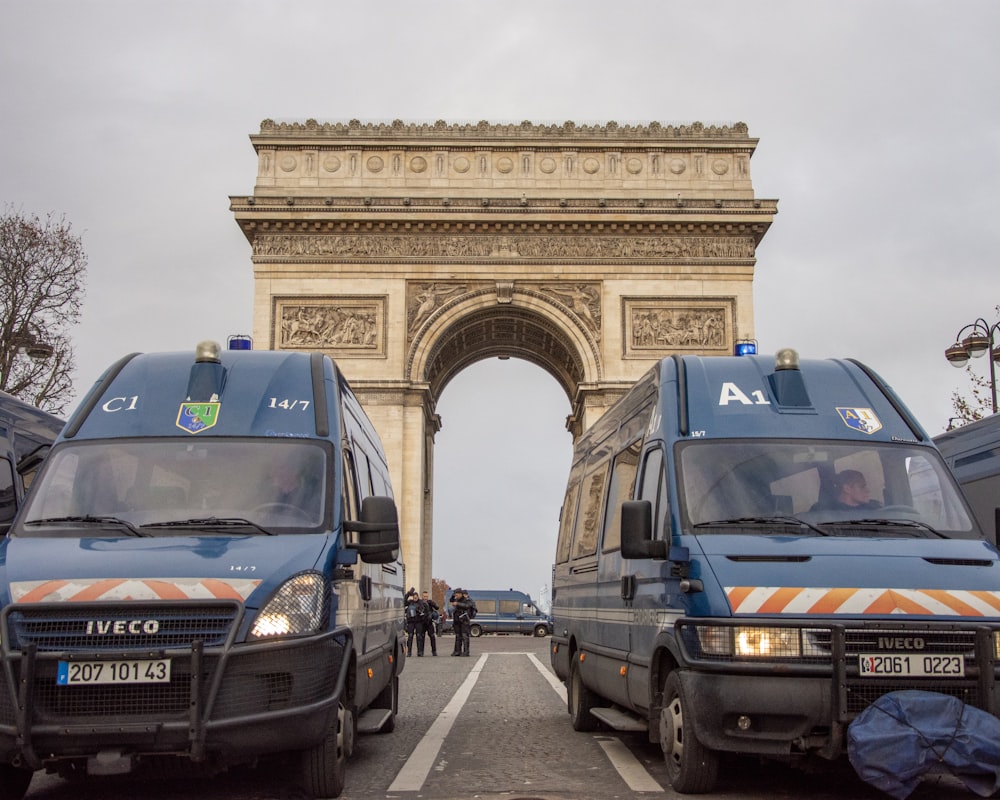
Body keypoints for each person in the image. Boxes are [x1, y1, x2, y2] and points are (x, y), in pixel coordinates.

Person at [449, 588, 477, 657]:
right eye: (455, 594)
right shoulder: (456, 599)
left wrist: (457, 604)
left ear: (461, 594)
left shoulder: (467, 600)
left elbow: (467, 606)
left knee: (465, 636)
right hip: (457, 620)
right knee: (458, 636)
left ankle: (466, 651)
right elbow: (451, 600)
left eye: (457, 594)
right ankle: (457, 651)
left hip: (464, 620)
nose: (456, 595)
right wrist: (453, 596)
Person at [404, 587, 430, 656]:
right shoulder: (410, 602)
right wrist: (408, 593)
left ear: (418, 597)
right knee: (410, 636)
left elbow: (427, 610)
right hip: (411, 622)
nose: (415, 598)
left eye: (416, 597)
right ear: (413, 597)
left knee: (419, 636)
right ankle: (409, 652)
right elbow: (404, 601)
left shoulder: (421, 602)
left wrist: (424, 617)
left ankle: (420, 652)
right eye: (414, 597)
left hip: (419, 621)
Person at [420, 590, 439, 656]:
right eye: (424, 596)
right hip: (422, 622)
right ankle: (421, 651)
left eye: (426, 596)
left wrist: (434, 604)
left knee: (432, 636)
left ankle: (434, 651)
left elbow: (437, 607)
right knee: (421, 637)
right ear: (422, 596)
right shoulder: (420, 603)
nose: (425, 598)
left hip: (429, 622)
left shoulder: (430, 602)